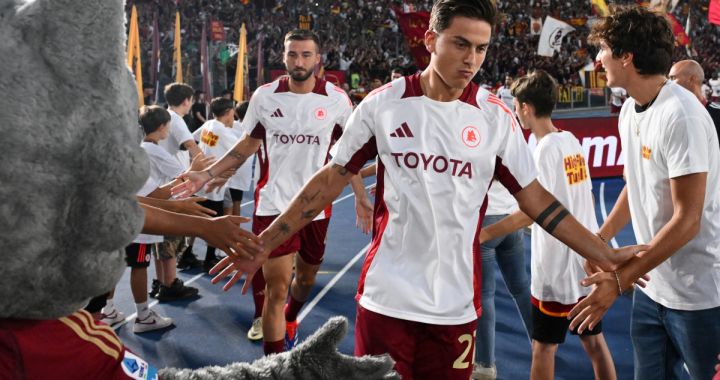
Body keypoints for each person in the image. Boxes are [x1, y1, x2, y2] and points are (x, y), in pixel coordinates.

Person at [184, 2, 643, 378]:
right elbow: (329, 180)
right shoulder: (383, 106)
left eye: (481, 49)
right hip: (386, 301)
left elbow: (539, 202)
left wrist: (603, 251)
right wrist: (263, 244)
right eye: (460, 44)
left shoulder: (493, 119)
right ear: (430, 41)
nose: (471, 60)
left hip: (456, 308)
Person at [174, 29, 372, 355]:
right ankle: (273, 365)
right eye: (292, 54)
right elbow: (247, 145)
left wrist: (361, 195)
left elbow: (347, 156)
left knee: (304, 281)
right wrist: (207, 173)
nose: (298, 61)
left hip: (315, 209)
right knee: (276, 290)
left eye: (306, 55)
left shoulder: (338, 100)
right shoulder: (265, 97)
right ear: (284, 57)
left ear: (318, 59)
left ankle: (292, 320)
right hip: (272, 205)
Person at [569, 7, 720, 380]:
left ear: (627, 57)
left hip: (698, 295)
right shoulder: (629, 111)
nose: (598, 58)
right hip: (653, 287)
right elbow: (635, 184)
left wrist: (620, 280)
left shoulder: (679, 115)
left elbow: (687, 221)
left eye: (604, 49)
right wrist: (600, 242)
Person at [479, 71, 617, 380]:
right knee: (594, 342)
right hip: (583, 264)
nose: (516, 113)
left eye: (516, 107)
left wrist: (485, 233)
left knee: (543, 348)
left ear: (526, 107)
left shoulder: (543, 150)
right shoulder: (570, 141)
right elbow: (585, 197)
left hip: (555, 268)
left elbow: (532, 213)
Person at [472, 181, 532, 380]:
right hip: (512, 218)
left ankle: (485, 365)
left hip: (484, 222)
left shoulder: (468, 148)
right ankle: (542, 344)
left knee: (485, 295)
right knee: (521, 287)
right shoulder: (508, 148)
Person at [160, 83, 206, 279]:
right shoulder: (176, 120)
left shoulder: (164, 116)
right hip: (176, 181)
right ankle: (169, 281)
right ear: (187, 101)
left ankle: (164, 280)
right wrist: (208, 172)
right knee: (173, 231)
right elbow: (191, 146)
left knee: (167, 233)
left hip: (166, 179)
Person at [192, 97, 242, 273]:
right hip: (214, 182)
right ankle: (210, 259)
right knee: (215, 222)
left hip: (204, 179)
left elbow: (193, 138)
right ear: (229, 113)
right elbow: (242, 151)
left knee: (204, 219)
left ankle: (193, 255)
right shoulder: (224, 132)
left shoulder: (208, 125)